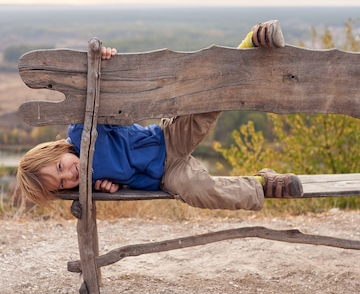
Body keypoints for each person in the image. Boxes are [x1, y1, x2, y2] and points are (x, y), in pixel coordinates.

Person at [17, 20, 303, 210]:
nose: (70, 175)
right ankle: (263, 185)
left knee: (207, 104)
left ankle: (247, 46)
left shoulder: (82, 130)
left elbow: (103, 97)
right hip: (167, 174)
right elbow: (116, 177)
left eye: (59, 168)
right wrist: (112, 186)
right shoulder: (90, 184)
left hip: (167, 140)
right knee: (197, 190)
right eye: (64, 184)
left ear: (56, 151)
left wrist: (104, 63)